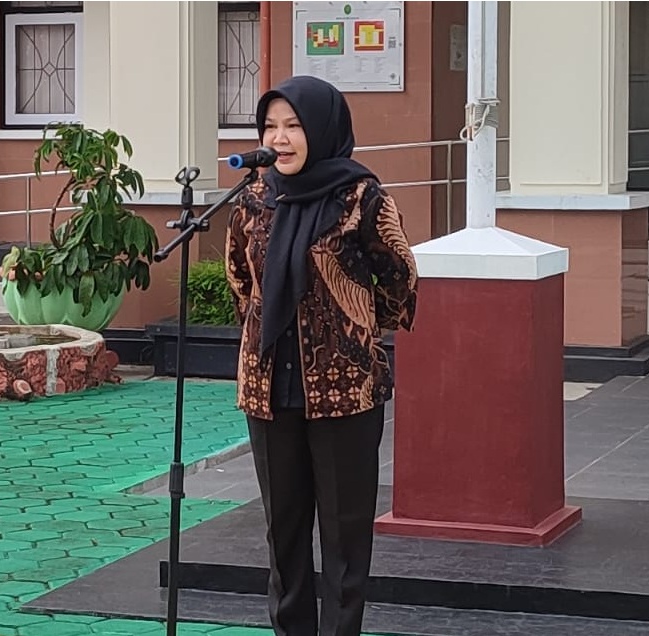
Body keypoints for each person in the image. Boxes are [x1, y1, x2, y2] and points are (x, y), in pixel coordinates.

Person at [225, 75, 418, 636]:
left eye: (293, 126)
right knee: (283, 539)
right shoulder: (254, 197)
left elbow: (399, 280)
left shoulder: (362, 198)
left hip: (344, 391)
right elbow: (241, 279)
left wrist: (352, 329)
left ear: (322, 128)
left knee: (344, 540)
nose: (279, 139)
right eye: (270, 127)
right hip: (269, 389)